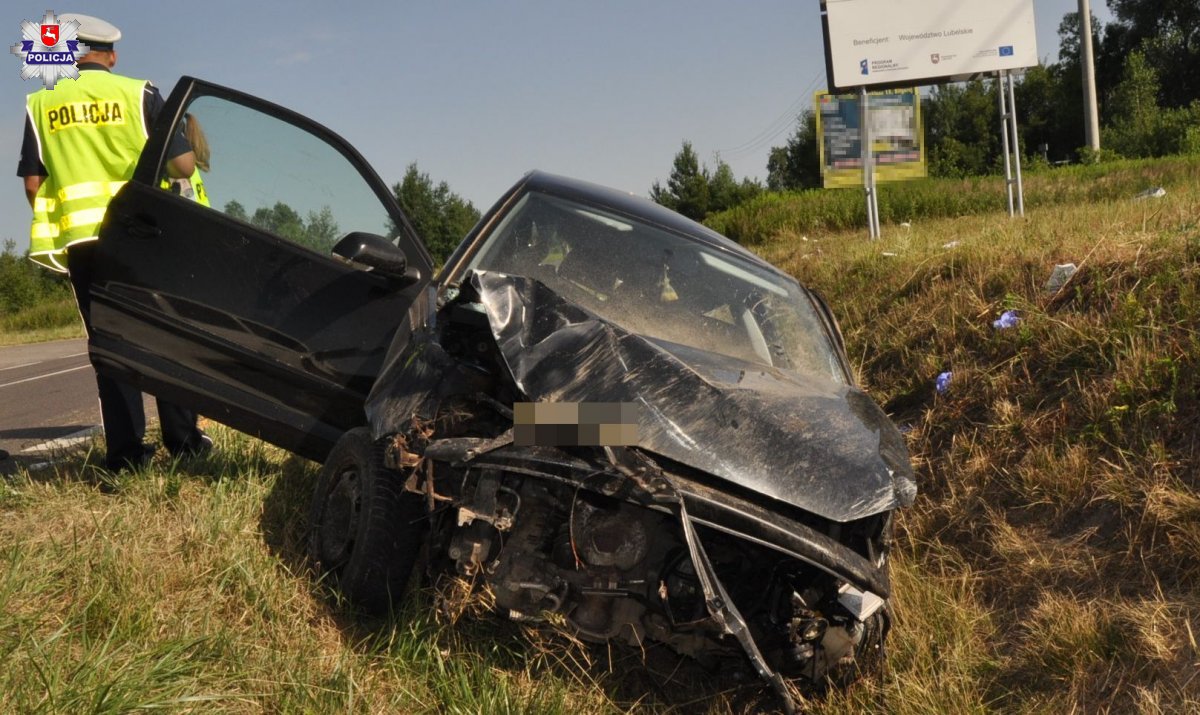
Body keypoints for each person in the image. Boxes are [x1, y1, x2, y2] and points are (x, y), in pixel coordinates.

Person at [16, 13, 211, 473]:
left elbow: (32, 183)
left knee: (112, 344)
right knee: (165, 336)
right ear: (111, 54)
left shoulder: (40, 103)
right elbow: (183, 167)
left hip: (86, 243)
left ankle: (126, 457)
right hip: (144, 236)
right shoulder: (138, 93)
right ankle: (183, 443)